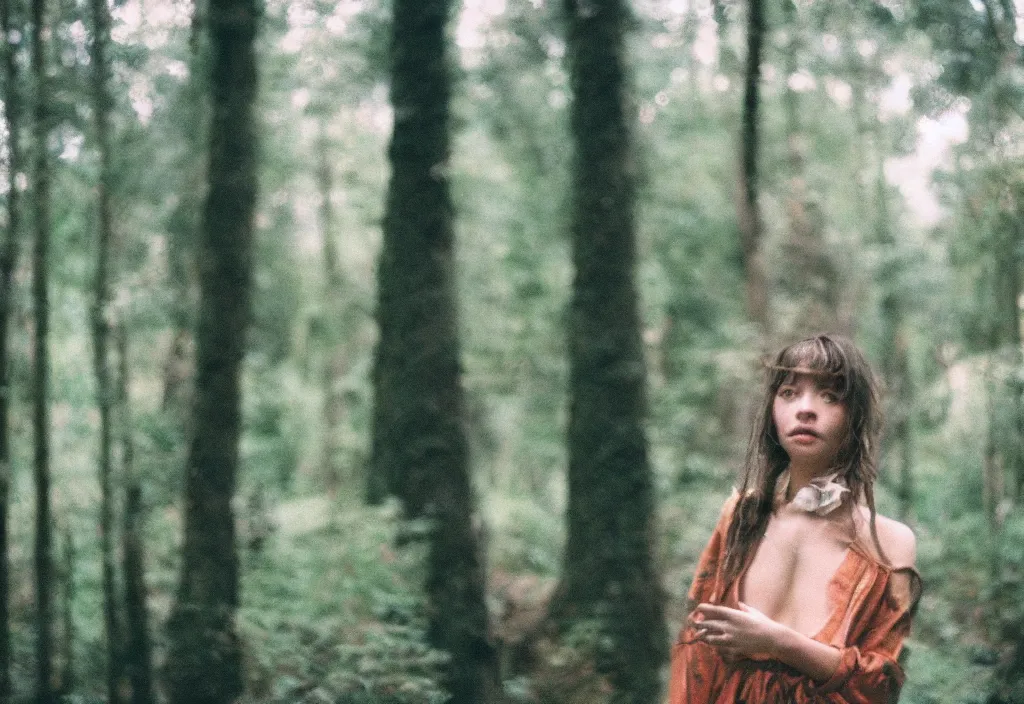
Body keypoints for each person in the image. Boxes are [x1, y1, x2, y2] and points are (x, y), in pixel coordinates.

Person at [668, 334, 921, 703]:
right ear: (772, 410)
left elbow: (880, 688)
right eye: (789, 392)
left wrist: (778, 641)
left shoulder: (889, 543)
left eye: (830, 396)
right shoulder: (742, 516)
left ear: (856, 416)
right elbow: (697, 655)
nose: (805, 409)